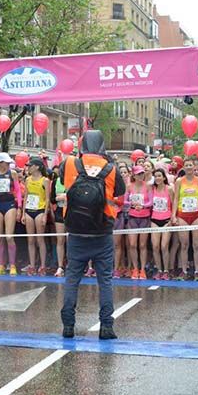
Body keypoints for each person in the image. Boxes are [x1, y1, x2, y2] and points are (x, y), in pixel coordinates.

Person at [58, 130, 125, 340]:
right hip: (102, 230)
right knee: (104, 280)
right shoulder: (111, 169)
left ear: (82, 145)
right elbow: (119, 192)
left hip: (76, 229)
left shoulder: (70, 163)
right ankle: (106, 326)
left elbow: (62, 180)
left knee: (72, 278)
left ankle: (68, 325)